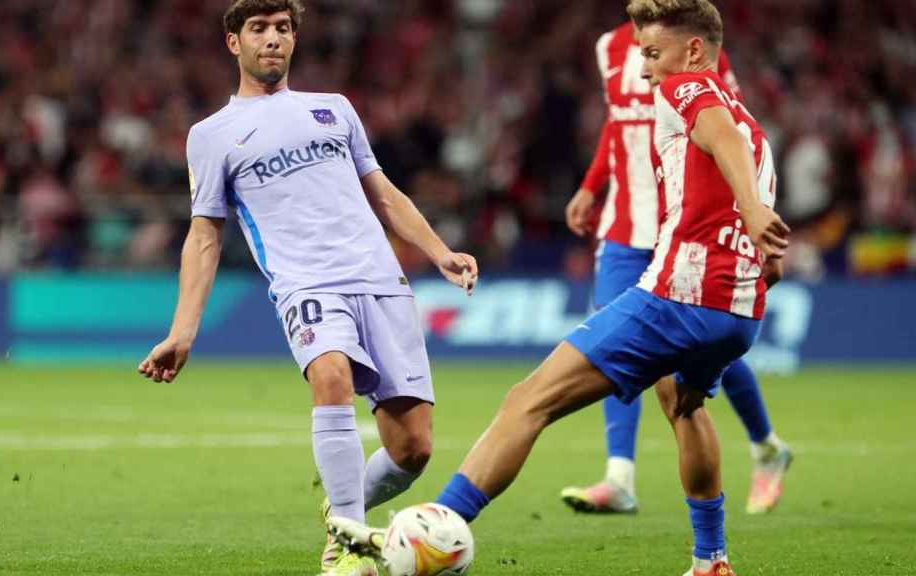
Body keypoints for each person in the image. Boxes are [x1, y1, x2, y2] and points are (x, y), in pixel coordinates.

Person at [329, 1, 788, 574]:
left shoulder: (686, 88)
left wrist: (749, 209)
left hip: (680, 296)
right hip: (739, 311)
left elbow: (720, 141)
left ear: (694, 51)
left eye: (652, 54)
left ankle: (435, 529)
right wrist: (763, 241)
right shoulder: (753, 123)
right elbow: (736, 154)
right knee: (685, 403)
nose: (645, 69)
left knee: (529, 400)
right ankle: (711, 559)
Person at [136, 2, 478, 575]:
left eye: (283, 28)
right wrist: (182, 331)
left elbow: (383, 192)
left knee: (412, 449)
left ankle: (343, 504)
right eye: (259, 29)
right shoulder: (210, 135)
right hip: (306, 283)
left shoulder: (334, 110)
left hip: (379, 280)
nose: (273, 39)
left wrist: (438, 251)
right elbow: (203, 236)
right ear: (233, 43)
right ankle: (346, 545)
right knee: (331, 374)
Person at [560, 11, 791, 516]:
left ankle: (766, 445)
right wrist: (589, 186)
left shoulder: (695, 50)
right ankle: (619, 477)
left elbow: (730, 133)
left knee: (703, 357)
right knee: (611, 344)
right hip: (625, 225)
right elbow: (615, 122)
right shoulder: (608, 48)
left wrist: (751, 213)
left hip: (688, 224)